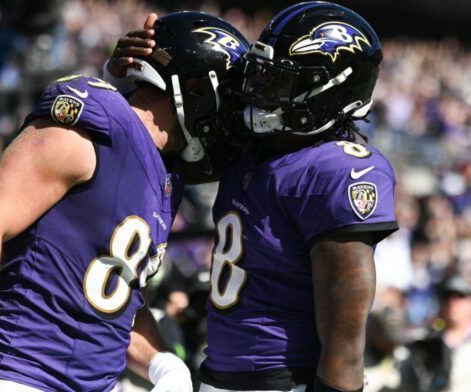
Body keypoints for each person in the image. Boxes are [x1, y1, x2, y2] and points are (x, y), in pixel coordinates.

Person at [0, 12, 249, 392]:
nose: (233, 122)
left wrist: (164, 364)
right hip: (23, 375)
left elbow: (114, 303)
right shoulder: (97, 124)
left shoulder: (167, 173)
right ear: (195, 90)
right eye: (228, 104)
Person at [106, 3, 398, 391]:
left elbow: (345, 334)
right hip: (219, 373)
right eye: (261, 74)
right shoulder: (250, 148)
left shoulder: (339, 169)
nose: (259, 90)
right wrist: (134, 76)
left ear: (329, 93)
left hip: (284, 379)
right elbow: (150, 149)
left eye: (280, 82)